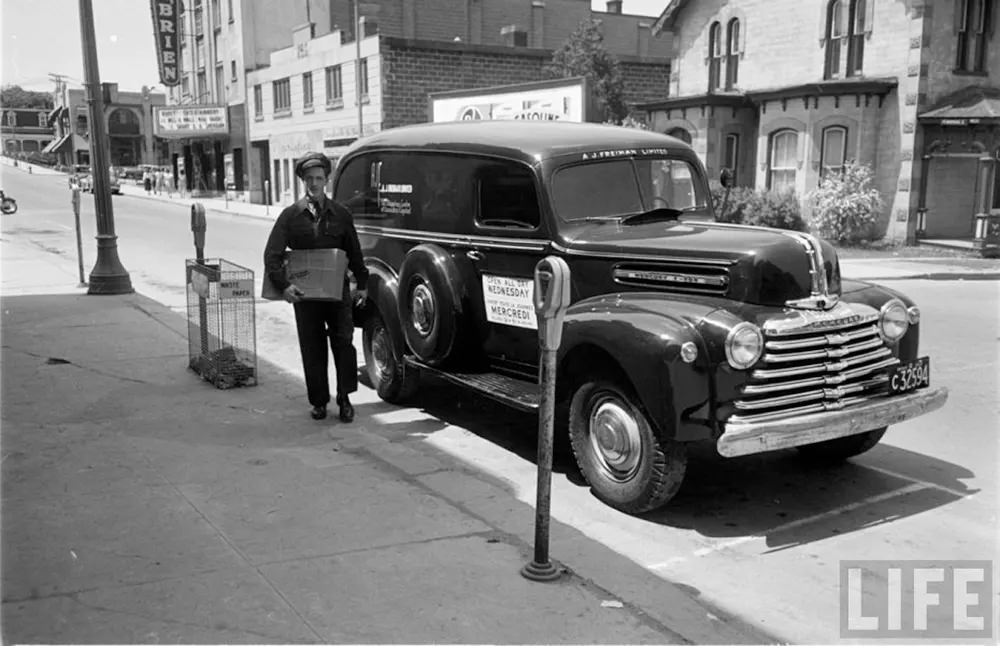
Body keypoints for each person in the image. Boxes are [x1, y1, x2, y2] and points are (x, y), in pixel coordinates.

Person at [263, 152, 368, 422]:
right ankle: (319, 402)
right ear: (303, 181)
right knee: (312, 347)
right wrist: (284, 286)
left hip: (337, 293)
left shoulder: (341, 214)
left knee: (344, 345)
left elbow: (355, 253)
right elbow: (272, 255)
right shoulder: (291, 216)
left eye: (319, 178)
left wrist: (363, 284)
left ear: (327, 180)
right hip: (305, 296)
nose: (314, 183)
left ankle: (344, 398)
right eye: (309, 179)